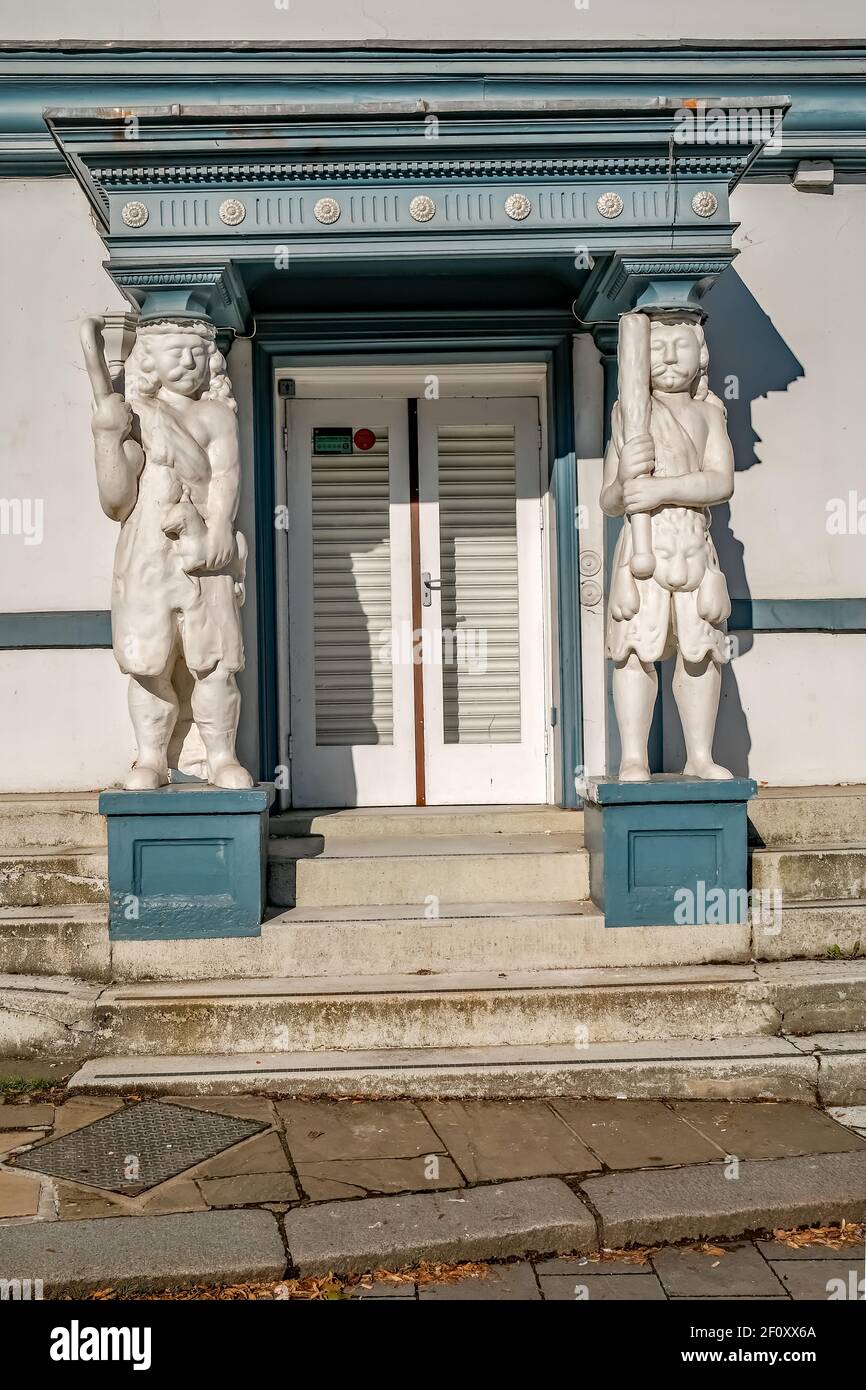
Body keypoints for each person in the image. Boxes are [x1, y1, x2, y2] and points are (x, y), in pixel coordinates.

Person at [87, 318, 253, 790]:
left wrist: (220, 527)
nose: (187, 361)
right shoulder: (134, 413)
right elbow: (116, 500)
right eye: (175, 352)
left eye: (197, 353)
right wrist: (107, 438)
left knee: (216, 663)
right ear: (149, 360)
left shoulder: (216, 416)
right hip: (146, 554)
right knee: (148, 664)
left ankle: (221, 756)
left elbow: (226, 477)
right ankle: (151, 758)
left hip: (203, 553)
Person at [600, 314, 734, 782]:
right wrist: (624, 483)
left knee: (699, 651)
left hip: (694, 542)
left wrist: (662, 489)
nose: (671, 358)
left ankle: (699, 754)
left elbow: (720, 482)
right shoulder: (627, 412)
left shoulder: (709, 414)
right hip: (643, 549)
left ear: (702, 355)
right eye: (657, 349)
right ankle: (633, 755)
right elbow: (609, 499)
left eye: (681, 346)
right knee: (635, 649)